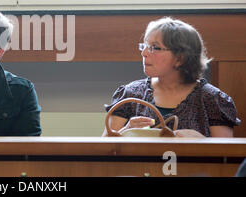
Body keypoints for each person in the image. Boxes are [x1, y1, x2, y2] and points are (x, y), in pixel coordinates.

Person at [103, 17, 240, 138]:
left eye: (155, 48)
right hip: (140, 168)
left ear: (180, 58)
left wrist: (202, 142)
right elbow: (103, 150)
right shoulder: (130, 94)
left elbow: (225, 158)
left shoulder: (211, 99)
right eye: (144, 46)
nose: (144, 53)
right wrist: (125, 132)